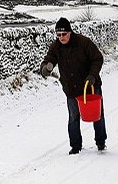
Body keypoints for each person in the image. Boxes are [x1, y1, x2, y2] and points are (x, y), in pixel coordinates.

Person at [40, 17, 107, 154]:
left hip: (90, 85)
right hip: (71, 88)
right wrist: (46, 68)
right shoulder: (56, 46)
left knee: (97, 115)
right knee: (73, 117)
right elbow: (49, 60)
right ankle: (75, 146)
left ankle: (101, 142)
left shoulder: (83, 43)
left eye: (64, 34)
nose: (61, 37)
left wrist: (92, 75)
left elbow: (98, 58)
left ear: (70, 32)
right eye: (58, 35)